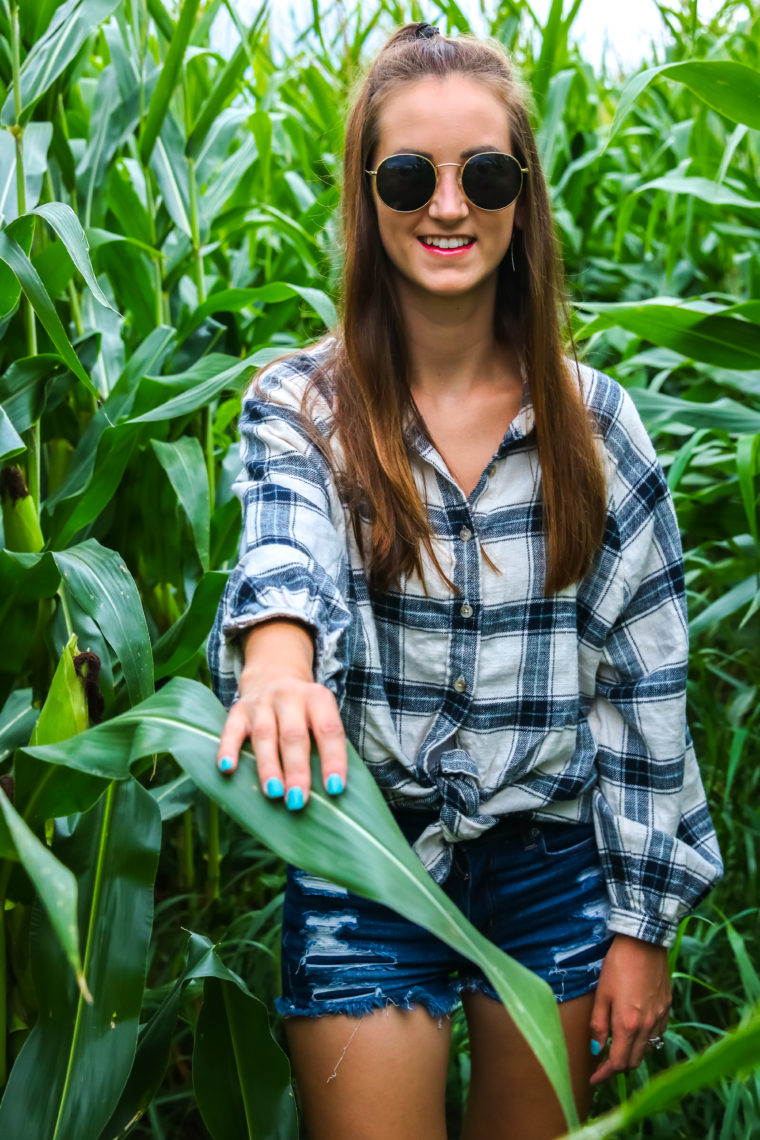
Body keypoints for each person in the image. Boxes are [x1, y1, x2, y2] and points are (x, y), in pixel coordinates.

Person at [208, 22, 723, 1140]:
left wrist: (642, 926)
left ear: (523, 194)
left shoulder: (596, 425)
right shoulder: (299, 407)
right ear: (365, 193)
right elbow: (283, 551)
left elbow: (642, 685)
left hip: (554, 870)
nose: (448, 206)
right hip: (366, 854)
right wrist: (278, 654)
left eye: (483, 174)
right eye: (410, 176)